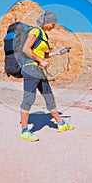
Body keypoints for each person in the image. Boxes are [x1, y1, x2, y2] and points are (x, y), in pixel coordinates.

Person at [20, 10, 75, 141]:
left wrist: (58, 53)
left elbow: (44, 54)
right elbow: (26, 49)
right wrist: (40, 61)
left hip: (39, 70)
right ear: (46, 22)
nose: (54, 26)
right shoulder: (35, 31)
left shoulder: (44, 35)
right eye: (53, 23)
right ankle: (24, 131)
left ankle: (61, 124)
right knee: (28, 99)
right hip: (30, 68)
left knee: (49, 97)